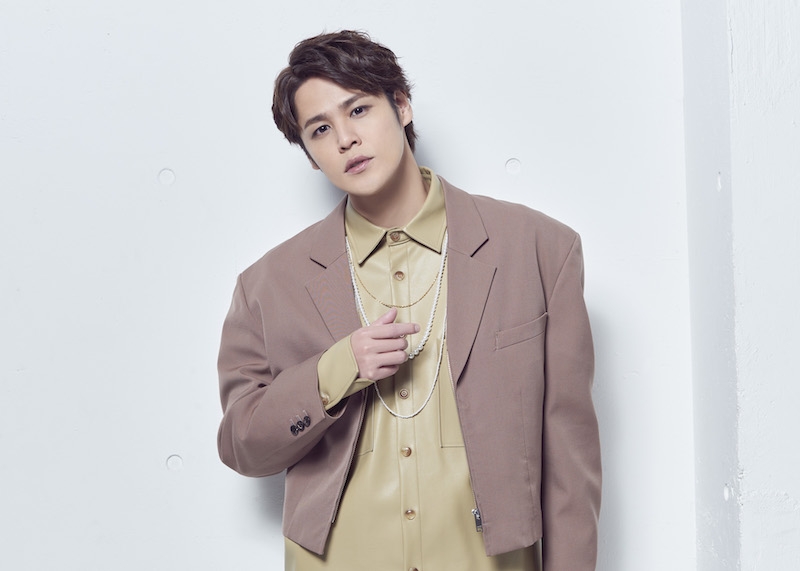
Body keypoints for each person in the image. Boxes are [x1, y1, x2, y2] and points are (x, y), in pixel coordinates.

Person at [217, 30, 601, 571]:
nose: (345, 139)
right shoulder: (267, 285)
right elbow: (242, 445)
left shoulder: (538, 250)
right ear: (311, 156)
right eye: (320, 129)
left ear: (401, 105)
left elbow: (570, 463)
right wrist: (336, 370)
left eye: (358, 109)